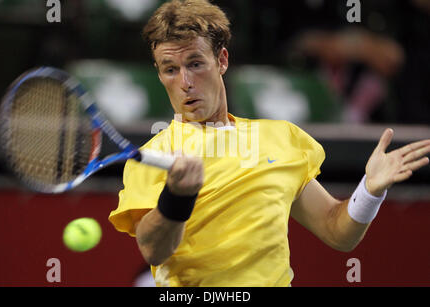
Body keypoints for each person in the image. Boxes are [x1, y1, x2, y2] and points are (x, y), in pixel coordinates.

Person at [108, 0, 430, 287]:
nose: (185, 82)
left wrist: (370, 190)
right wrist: (177, 196)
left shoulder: (281, 139)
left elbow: (337, 231)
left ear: (221, 60)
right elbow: (153, 249)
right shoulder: (153, 155)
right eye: (170, 69)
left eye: (195, 63)